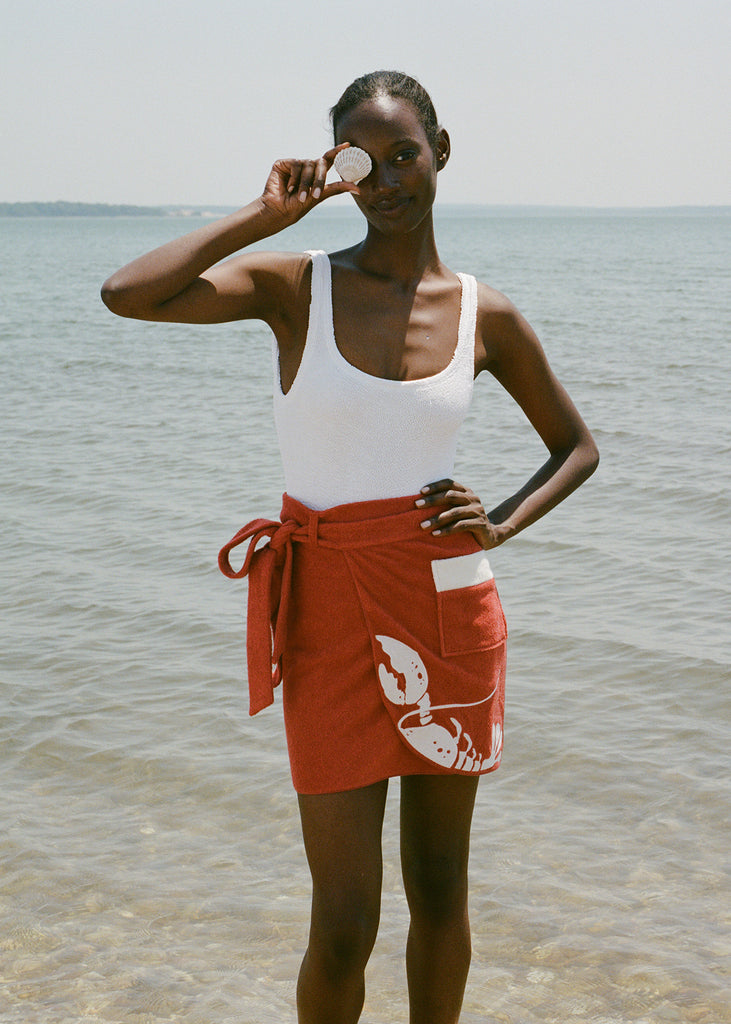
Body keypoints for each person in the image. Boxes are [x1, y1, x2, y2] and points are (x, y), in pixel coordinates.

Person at [102, 70, 598, 1024]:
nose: (385, 183)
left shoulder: (481, 313)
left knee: (441, 893)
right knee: (341, 918)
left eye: (403, 155)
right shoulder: (298, 287)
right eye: (361, 165)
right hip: (325, 613)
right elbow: (128, 295)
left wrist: (499, 520)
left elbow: (574, 447)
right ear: (341, 176)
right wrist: (263, 214)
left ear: (440, 153)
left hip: (452, 612)